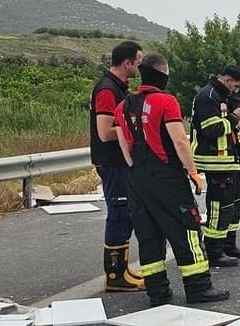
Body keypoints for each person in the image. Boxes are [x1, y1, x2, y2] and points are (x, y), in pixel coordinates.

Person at [114, 53, 229, 306]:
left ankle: (158, 292)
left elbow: (124, 144)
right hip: (167, 177)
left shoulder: (123, 106)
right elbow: (179, 141)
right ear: (163, 74)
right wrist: (193, 173)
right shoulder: (166, 101)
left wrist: (135, 169)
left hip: (137, 178)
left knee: (148, 235)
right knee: (187, 230)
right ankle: (198, 287)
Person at [90, 40, 145, 292]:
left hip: (120, 162)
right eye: (138, 61)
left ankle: (121, 269)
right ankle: (114, 276)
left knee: (126, 214)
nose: (140, 66)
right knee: (119, 213)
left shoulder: (119, 88)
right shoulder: (107, 89)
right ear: (127, 63)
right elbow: (104, 131)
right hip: (112, 162)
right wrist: (134, 129)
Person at [190, 66, 240, 266]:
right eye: (236, 86)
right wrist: (234, 118)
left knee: (235, 206)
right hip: (215, 161)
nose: (237, 91)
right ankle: (214, 250)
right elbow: (211, 129)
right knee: (220, 208)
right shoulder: (207, 96)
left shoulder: (221, 95)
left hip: (229, 160)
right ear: (227, 80)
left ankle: (228, 245)